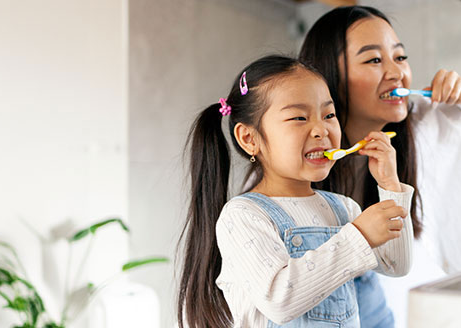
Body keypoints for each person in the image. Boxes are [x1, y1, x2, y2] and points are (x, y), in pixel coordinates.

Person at [299, 6, 461, 326]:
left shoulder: (432, 119)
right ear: (329, 76)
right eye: (374, 59)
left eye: (400, 57)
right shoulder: (308, 162)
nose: (396, 72)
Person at [176, 55, 414, 327]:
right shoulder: (243, 216)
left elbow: (397, 264)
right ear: (249, 139)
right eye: (299, 117)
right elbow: (279, 301)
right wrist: (358, 237)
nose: (321, 130)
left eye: (329, 115)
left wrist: (390, 186)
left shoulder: (344, 208)